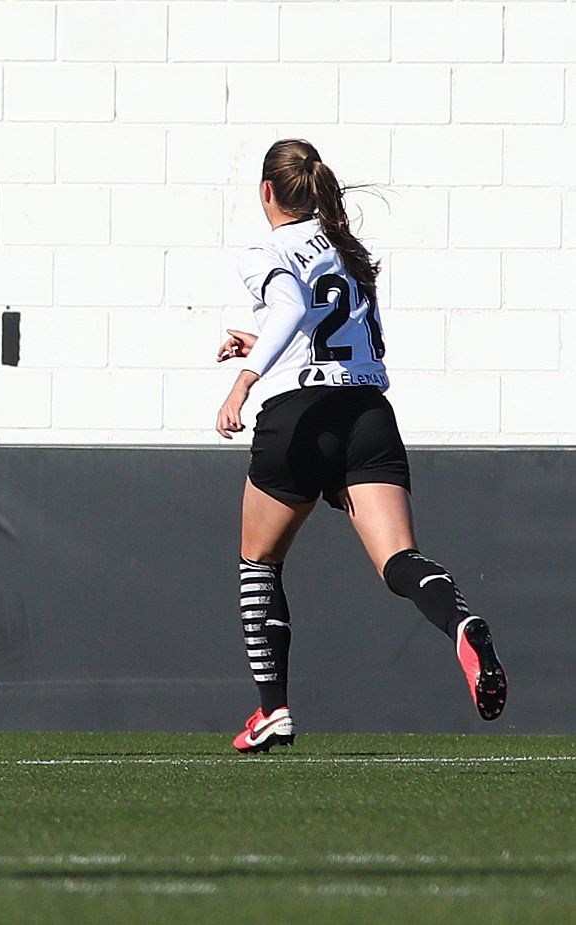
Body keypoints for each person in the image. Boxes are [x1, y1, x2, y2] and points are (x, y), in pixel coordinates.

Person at [215, 139, 507, 754]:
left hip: (300, 417)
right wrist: (266, 340)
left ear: (267, 191)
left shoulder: (265, 250)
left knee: (259, 563)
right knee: (399, 560)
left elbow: (293, 304)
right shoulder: (345, 246)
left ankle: (273, 711)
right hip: (369, 413)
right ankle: (461, 623)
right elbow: (328, 328)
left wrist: (246, 378)